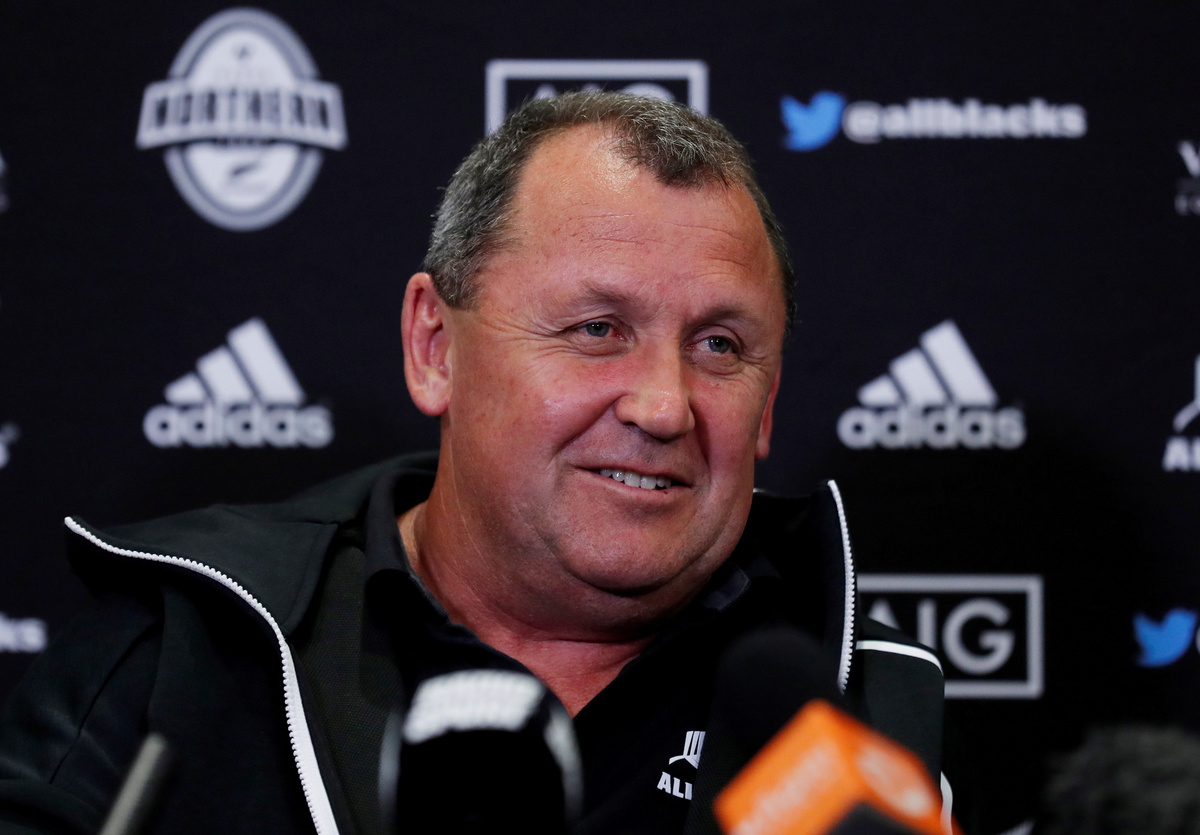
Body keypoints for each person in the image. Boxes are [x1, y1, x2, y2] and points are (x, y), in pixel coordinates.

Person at [0, 92, 948, 834]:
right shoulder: (178, 650)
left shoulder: (870, 704)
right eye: (597, 329)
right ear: (435, 347)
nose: (664, 406)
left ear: (769, 402)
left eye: (720, 346)